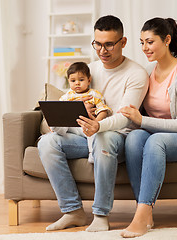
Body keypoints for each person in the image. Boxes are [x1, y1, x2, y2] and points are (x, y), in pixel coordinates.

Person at [38, 15, 149, 232]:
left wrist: (98, 125)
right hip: (86, 135)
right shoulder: (88, 70)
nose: (102, 50)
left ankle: (101, 214)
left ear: (123, 42)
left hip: (118, 137)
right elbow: (73, 106)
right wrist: (69, 115)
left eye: (109, 44)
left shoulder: (136, 74)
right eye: (97, 44)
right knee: (47, 142)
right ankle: (72, 211)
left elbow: (125, 116)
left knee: (103, 137)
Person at [118, 17, 177, 238]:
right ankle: (144, 211)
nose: (144, 48)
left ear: (167, 40)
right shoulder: (147, 71)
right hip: (156, 134)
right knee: (133, 139)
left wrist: (142, 121)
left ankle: (142, 214)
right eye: (141, 42)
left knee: (154, 140)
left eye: (150, 42)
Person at [51, 61, 112, 163]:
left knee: (93, 134)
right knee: (60, 122)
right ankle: (55, 128)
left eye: (81, 80)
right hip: (71, 126)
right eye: (73, 80)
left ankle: (92, 153)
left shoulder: (94, 95)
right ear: (69, 81)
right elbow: (60, 110)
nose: (77, 83)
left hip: (86, 125)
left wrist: (96, 122)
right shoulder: (67, 96)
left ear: (89, 80)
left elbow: (103, 110)